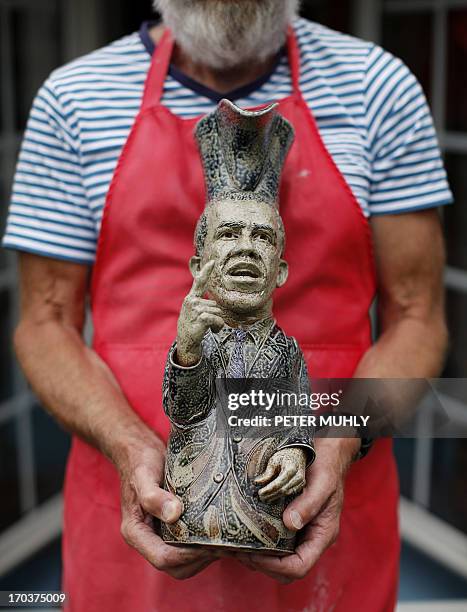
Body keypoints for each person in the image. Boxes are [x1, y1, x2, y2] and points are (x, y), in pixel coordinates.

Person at [2, 1, 451, 611]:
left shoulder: (379, 87)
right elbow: (44, 322)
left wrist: (334, 444)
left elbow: (418, 316)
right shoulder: (75, 98)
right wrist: (130, 445)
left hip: (324, 524)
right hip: (135, 536)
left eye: (262, 239)